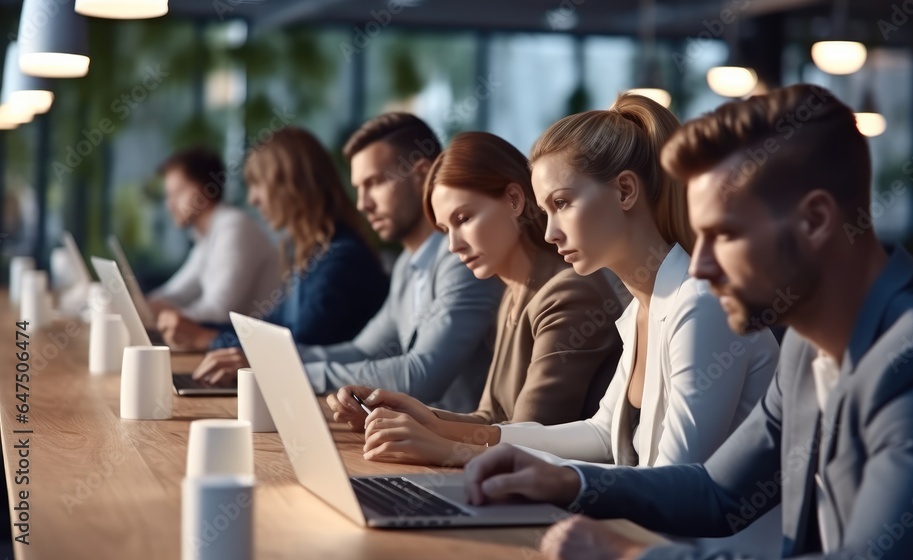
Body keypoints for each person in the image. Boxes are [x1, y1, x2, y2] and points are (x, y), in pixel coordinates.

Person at [462, 85, 913, 560]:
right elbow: (719, 493)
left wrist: (630, 555)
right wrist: (565, 482)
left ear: (815, 220)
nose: (700, 265)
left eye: (726, 234)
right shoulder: (806, 350)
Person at [328, 132, 624, 466]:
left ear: (514, 200)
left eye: (464, 219)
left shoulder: (567, 292)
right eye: (444, 229)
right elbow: (490, 419)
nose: (453, 245)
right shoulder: (515, 293)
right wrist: (414, 415)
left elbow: (530, 437)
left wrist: (434, 438)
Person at [296, 114, 505, 413]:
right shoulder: (408, 264)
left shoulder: (464, 258)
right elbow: (363, 350)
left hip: (462, 448)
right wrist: (280, 359)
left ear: (421, 174)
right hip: (416, 440)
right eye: (358, 187)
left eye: (375, 183)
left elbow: (423, 375)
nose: (362, 203)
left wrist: (299, 375)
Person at [160, 128, 389, 385]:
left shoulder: (341, 259)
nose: (253, 199)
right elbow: (269, 328)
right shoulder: (312, 254)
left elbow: (295, 347)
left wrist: (205, 338)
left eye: (259, 185)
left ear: (292, 185)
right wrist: (199, 331)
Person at [149, 147, 280, 323]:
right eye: (169, 196)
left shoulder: (233, 227)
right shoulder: (206, 235)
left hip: (254, 346)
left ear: (205, 189)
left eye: (178, 193)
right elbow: (175, 293)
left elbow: (219, 311)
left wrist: (167, 317)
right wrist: (143, 306)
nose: (170, 205)